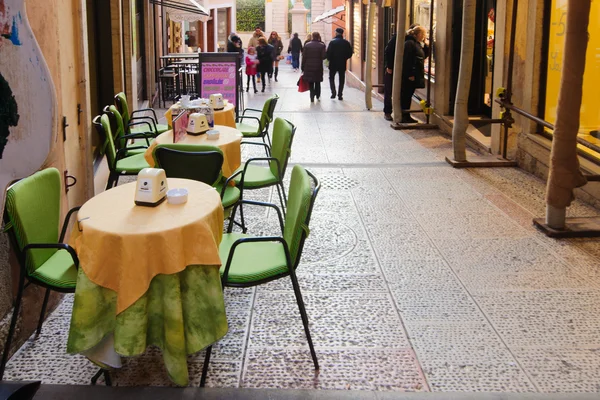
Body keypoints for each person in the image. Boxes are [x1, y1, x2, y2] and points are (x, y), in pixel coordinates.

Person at [383, 24, 422, 121]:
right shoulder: (399, 37)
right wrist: (390, 66)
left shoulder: (414, 42)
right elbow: (388, 51)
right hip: (392, 69)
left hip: (402, 70)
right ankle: (387, 112)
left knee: (400, 92)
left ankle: (399, 113)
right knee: (389, 90)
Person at [400, 25, 429, 123]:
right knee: (406, 95)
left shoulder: (416, 43)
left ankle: (406, 115)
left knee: (408, 95)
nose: (424, 36)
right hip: (410, 76)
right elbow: (407, 60)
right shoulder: (409, 43)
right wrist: (410, 74)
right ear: (419, 34)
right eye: (423, 34)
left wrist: (426, 45)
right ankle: (404, 115)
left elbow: (422, 56)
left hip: (414, 74)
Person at [326, 27, 353, 100]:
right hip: (342, 63)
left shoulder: (332, 42)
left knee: (331, 78)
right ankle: (340, 94)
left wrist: (329, 59)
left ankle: (333, 93)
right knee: (342, 79)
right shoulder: (346, 42)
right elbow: (350, 53)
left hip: (333, 63)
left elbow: (328, 53)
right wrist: (345, 58)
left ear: (337, 33)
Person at [301, 32, 326, 103]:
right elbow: (324, 57)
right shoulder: (322, 45)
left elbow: (304, 57)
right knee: (318, 82)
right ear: (318, 36)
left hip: (308, 66)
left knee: (311, 82)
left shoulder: (307, 45)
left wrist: (302, 67)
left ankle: (312, 97)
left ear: (312, 36)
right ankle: (318, 95)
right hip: (318, 66)